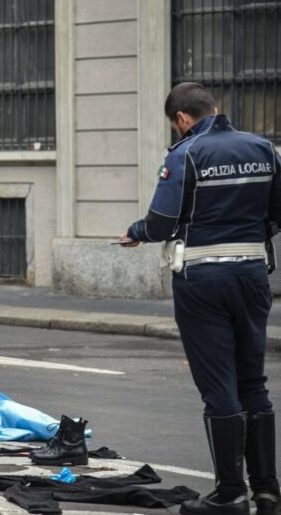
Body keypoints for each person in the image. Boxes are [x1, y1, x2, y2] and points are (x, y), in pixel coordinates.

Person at [120, 82, 280, 515]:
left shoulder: (185, 154)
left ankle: (230, 494)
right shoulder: (264, 148)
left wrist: (135, 233)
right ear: (215, 107)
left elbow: (161, 221)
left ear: (182, 119)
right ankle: (266, 491)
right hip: (251, 276)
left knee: (219, 386)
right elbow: (278, 212)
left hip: (203, 281)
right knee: (253, 382)